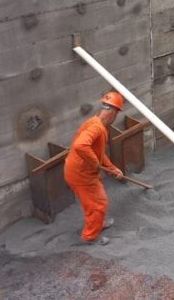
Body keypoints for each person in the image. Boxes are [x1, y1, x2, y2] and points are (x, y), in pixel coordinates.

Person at [64, 91, 125, 245]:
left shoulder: (97, 123)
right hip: (81, 174)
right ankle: (90, 237)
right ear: (112, 112)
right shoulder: (96, 128)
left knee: (95, 202)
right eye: (116, 113)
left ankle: (97, 223)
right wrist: (94, 163)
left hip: (83, 171)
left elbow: (98, 153)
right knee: (98, 204)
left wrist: (112, 168)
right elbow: (80, 146)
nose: (115, 116)